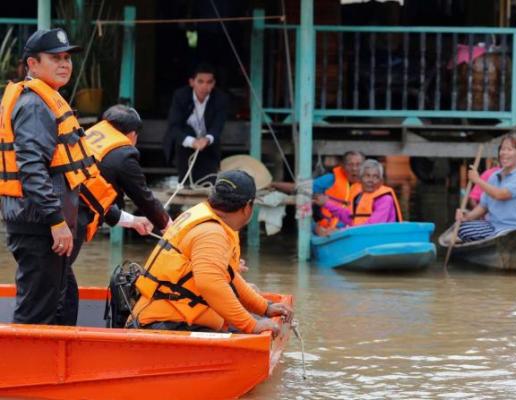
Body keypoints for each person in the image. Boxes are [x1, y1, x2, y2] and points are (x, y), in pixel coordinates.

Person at [0, 29, 99, 325]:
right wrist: (56, 220)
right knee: (36, 313)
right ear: (32, 64)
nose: (64, 64)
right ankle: (21, 370)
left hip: (42, 223)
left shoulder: (47, 100)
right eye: (55, 58)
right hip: (39, 225)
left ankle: (51, 368)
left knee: (59, 301)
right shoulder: (34, 105)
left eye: (67, 57)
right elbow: (31, 168)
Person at [129, 170, 292, 335]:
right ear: (247, 207)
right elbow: (211, 284)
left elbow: (229, 277)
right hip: (165, 324)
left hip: (176, 319)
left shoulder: (209, 219)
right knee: (247, 330)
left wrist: (264, 307)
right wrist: (251, 325)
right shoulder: (211, 232)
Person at [60, 105, 173, 325]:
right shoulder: (123, 153)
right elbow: (144, 197)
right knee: (56, 293)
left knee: (67, 291)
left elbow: (93, 198)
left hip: (60, 220)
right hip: (63, 228)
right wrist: (170, 226)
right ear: (132, 135)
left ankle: (65, 345)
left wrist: (133, 221)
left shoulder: (86, 139)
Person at [455, 133, 516, 242]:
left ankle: (492, 240)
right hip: (495, 225)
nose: (504, 153)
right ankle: (489, 241)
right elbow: (484, 206)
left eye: (509, 149)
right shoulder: (494, 176)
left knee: (504, 237)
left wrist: (478, 180)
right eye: (502, 149)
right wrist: (467, 217)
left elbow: (501, 195)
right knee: (462, 228)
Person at [163, 63, 229, 184]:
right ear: (192, 82)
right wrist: (192, 142)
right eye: (200, 81)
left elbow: (218, 126)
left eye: (209, 82)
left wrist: (207, 139)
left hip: (208, 142)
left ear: (214, 83)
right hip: (184, 142)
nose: (205, 86)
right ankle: (185, 183)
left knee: (208, 179)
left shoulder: (220, 99)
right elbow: (174, 126)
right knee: (186, 177)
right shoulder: (180, 96)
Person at [271, 151, 365, 235]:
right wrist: (273, 184)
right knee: (316, 226)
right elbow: (300, 188)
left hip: (356, 229)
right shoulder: (330, 179)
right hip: (327, 228)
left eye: (358, 164)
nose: (354, 169)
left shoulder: (370, 183)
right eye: (350, 164)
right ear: (343, 166)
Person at [314, 159, 403, 228]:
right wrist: (326, 203)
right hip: (361, 238)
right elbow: (350, 218)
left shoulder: (385, 199)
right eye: (367, 176)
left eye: (375, 177)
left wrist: (342, 231)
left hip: (377, 240)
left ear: (381, 181)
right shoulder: (358, 197)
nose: (371, 180)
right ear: (360, 179)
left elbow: (373, 227)